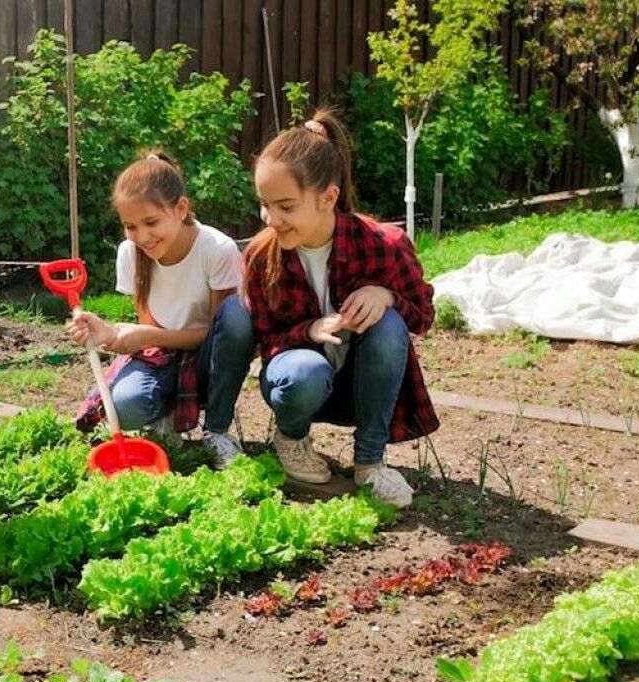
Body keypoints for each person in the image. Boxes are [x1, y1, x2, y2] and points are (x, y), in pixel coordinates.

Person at [244, 110, 438, 508]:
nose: (272, 219)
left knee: (388, 326)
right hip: (300, 384)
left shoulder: (383, 244)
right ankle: (292, 438)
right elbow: (265, 340)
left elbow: (422, 316)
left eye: (285, 206)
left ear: (327, 197)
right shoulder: (262, 256)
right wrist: (310, 331)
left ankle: (370, 462)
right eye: (265, 205)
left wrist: (387, 297)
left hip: (360, 387)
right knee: (304, 371)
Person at [70, 152, 255, 468]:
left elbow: (221, 333)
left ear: (181, 208)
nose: (142, 237)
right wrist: (109, 333)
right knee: (126, 406)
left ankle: (217, 431)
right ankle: (163, 418)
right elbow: (150, 329)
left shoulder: (217, 249)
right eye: (130, 226)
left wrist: (146, 336)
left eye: (151, 222)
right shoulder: (131, 253)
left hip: (212, 358)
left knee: (239, 315)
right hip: (164, 355)